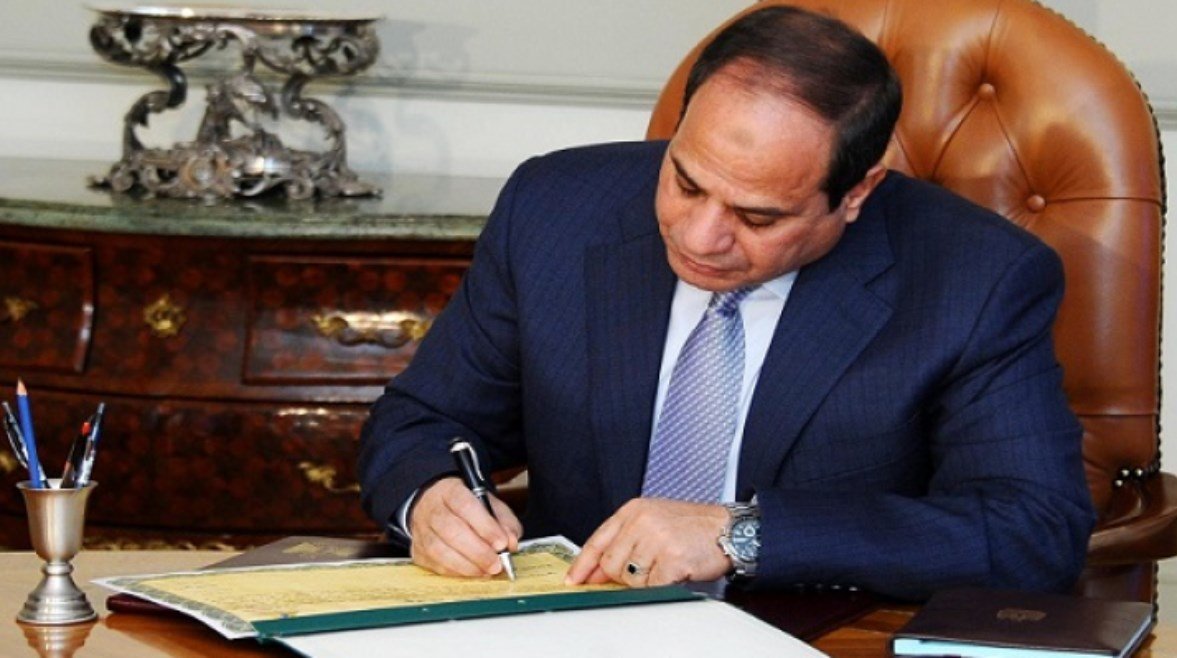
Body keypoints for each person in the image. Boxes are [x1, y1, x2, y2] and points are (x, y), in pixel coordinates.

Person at [358, 5, 1094, 601]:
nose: (700, 236)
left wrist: (741, 534)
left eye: (757, 217)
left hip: (810, 633)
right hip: (567, 628)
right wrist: (430, 497)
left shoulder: (977, 278)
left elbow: (1031, 531)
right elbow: (422, 420)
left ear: (855, 193)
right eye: (685, 182)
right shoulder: (554, 209)